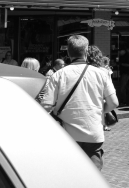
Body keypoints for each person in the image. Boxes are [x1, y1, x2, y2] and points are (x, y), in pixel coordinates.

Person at [42, 35, 118, 171]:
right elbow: (113, 103)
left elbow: (46, 105)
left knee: (69, 175)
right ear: (86, 51)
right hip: (93, 133)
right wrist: (100, 111)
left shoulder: (58, 75)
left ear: (68, 52)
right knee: (93, 177)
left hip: (66, 135)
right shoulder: (101, 73)